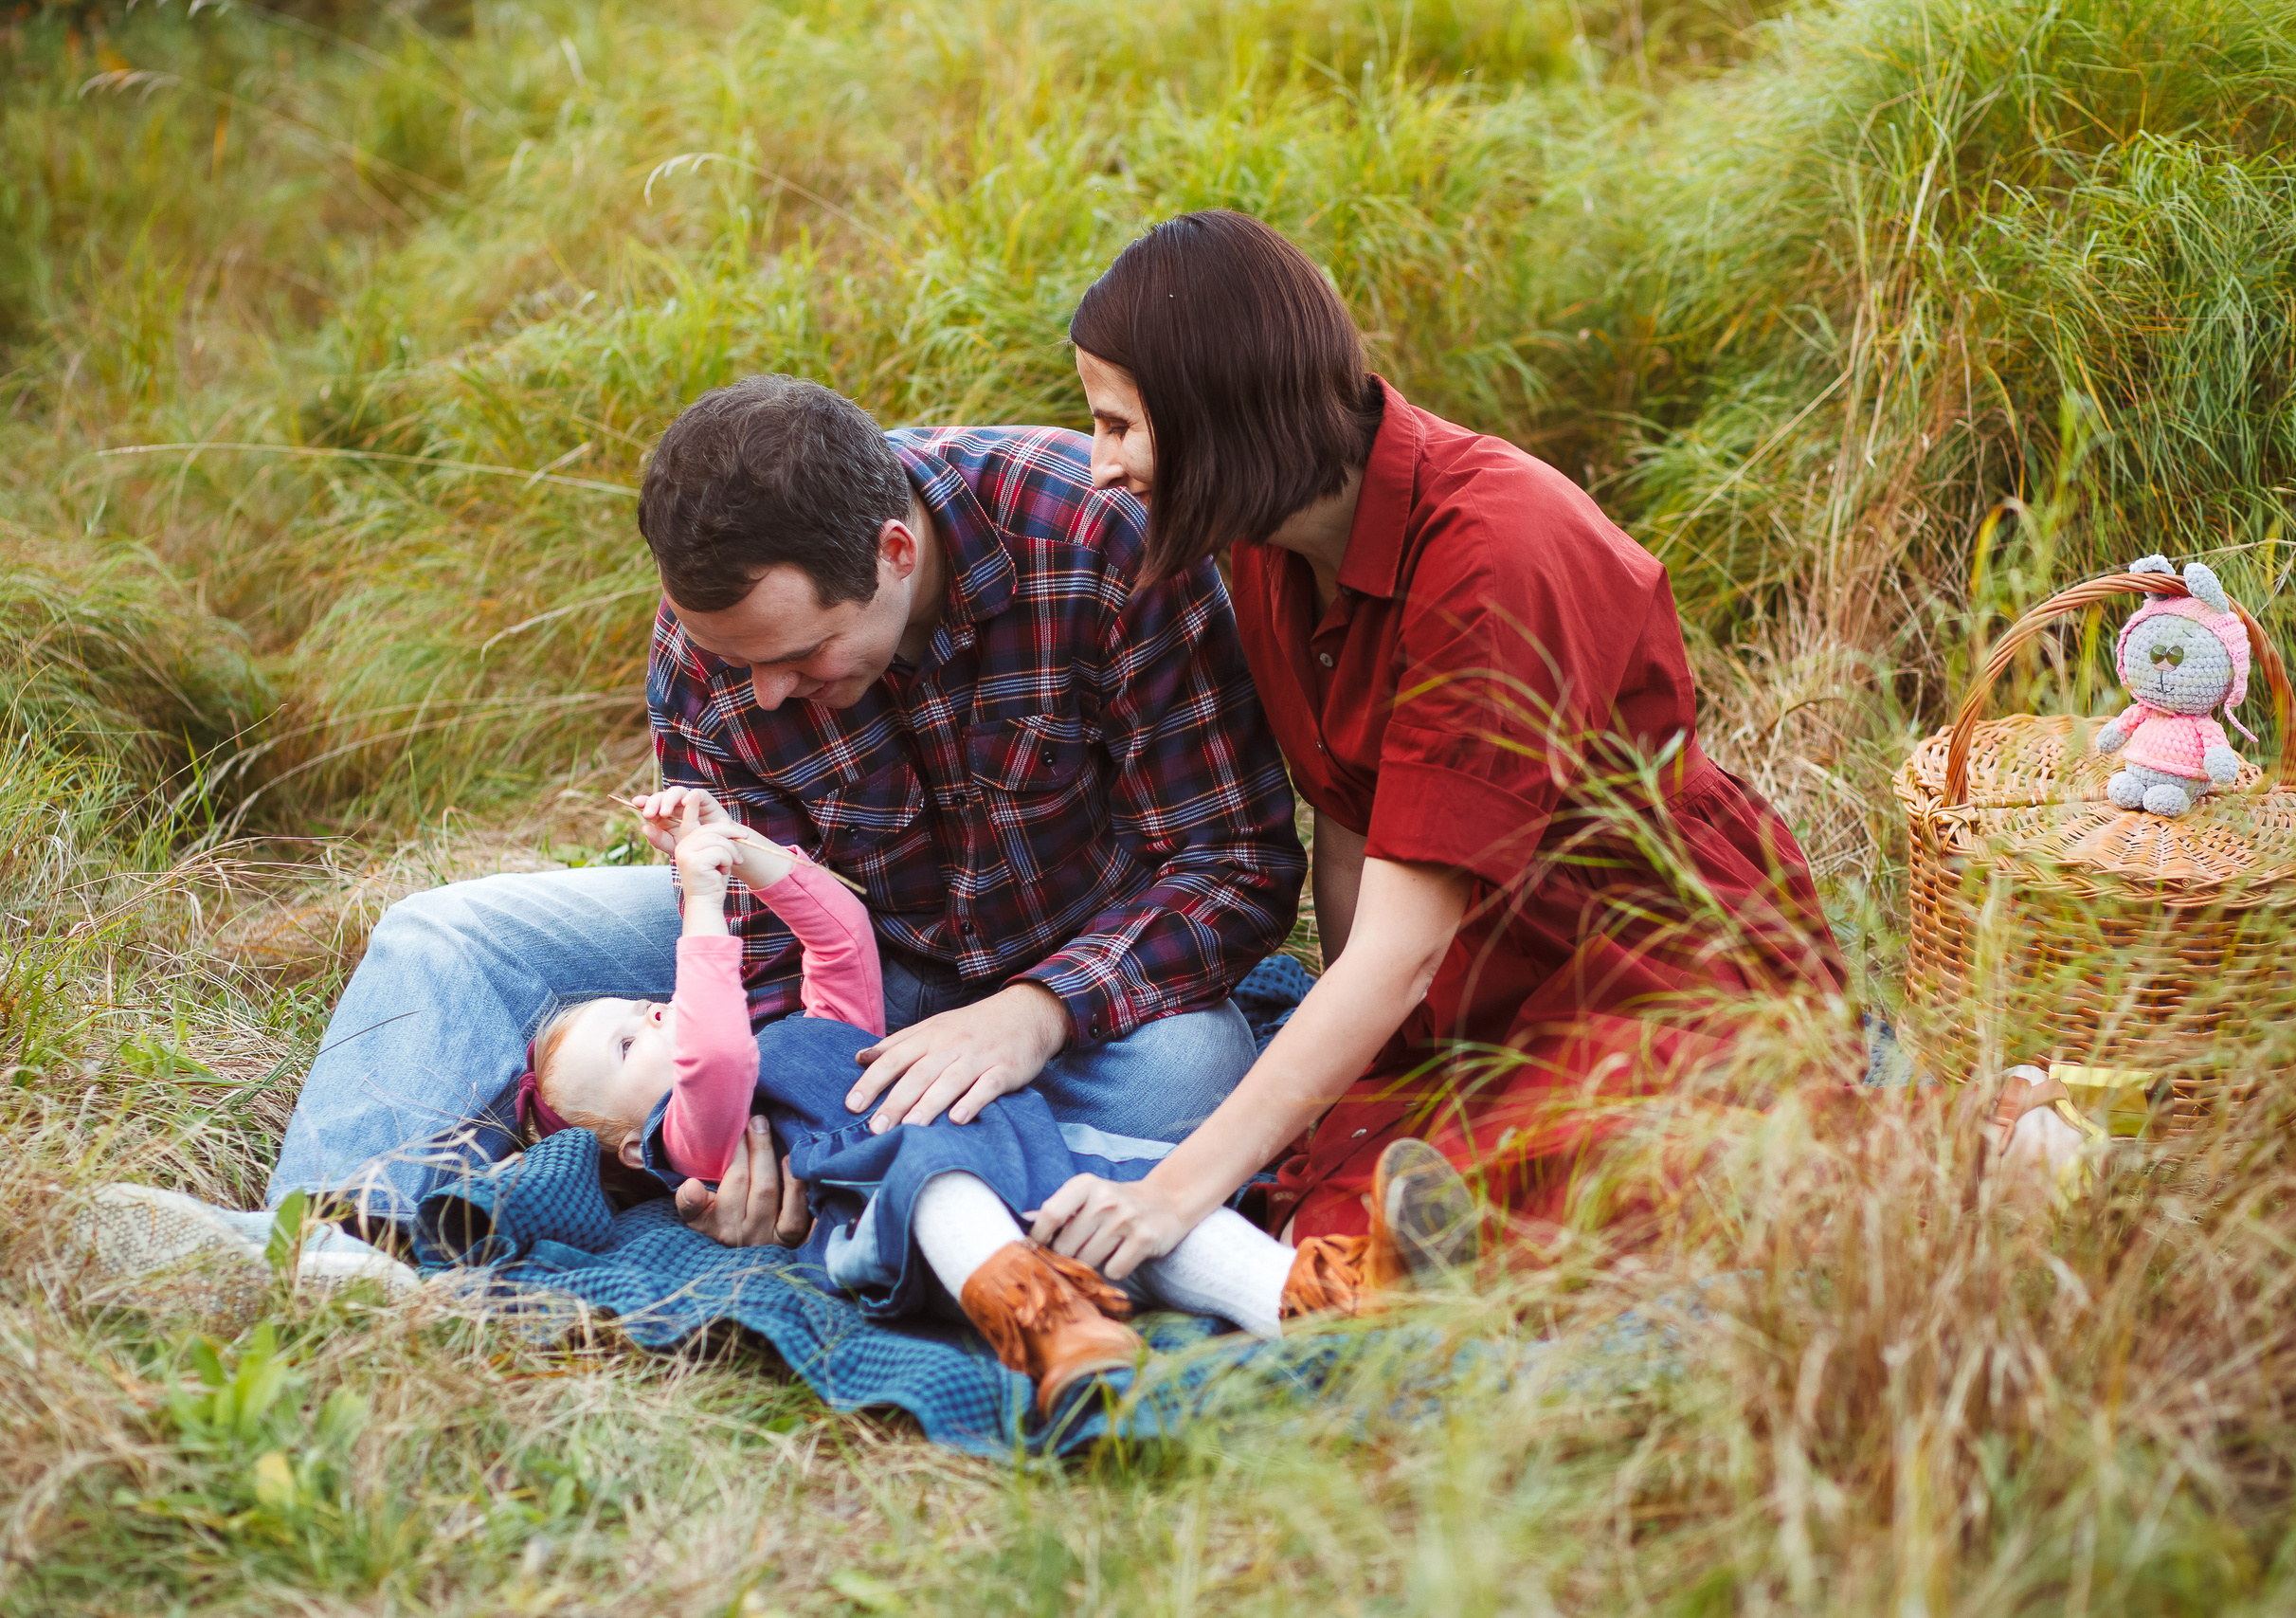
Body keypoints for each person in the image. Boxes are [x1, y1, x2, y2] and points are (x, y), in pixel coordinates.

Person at [267, 375, 1306, 1238]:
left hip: (1076, 987)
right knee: (446, 936)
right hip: (858, 975)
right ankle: (324, 1245)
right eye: (733, 660)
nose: (760, 693)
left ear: (894, 554)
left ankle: (931, 1201)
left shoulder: (1097, 538)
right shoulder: (710, 652)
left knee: (1192, 1071)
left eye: (800, 655)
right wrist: (757, 1128)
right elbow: (756, 936)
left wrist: (1039, 1014)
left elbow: (1234, 866)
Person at [1027, 211, 1853, 1292]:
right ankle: (1379, 1250)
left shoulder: (1493, 554)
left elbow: (1403, 945)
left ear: (1217, 414)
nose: (1099, 467)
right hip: (1468, 970)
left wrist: (1174, 1188)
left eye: (1120, 427)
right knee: (1325, 1193)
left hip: (1641, 950)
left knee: (1596, 1179)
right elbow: (1347, 816)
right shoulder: (1271, 544)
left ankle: (1993, 1151)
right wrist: (1374, 1049)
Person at [524, 789, 1358, 1411]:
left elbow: (842, 937)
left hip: (1014, 1143)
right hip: (892, 1210)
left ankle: (1305, 1295)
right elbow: (716, 1049)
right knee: (934, 1174)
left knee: (1126, 1198)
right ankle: (1048, 1331)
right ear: (633, 1145)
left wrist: (747, 854)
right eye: (629, 1042)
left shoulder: (808, 1035)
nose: (654, 1012)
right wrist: (702, 908)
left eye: (639, 1006)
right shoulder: (696, 1138)